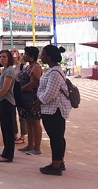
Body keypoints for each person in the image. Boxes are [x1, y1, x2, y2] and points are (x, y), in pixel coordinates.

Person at [37, 44, 72, 175]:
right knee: (57, 137)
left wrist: (38, 101)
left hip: (55, 110)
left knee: (56, 138)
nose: (41, 56)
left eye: (43, 54)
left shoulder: (55, 73)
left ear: (49, 57)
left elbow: (50, 92)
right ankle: (59, 161)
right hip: (50, 109)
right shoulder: (52, 70)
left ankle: (56, 165)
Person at [17, 46, 43, 156]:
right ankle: (30, 145)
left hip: (32, 97)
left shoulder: (36, 67)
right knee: (28, 120)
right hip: (26, 97)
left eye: (26, 54)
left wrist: (20, 90)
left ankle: (37, 147)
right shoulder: (29, 66)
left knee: (35, 122)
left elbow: (33, 83)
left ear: (31, 57)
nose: (24, 56)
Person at [0, 49, 16, 162]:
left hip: (7, 102)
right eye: (0, 57)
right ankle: (6, 151)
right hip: (3, 101)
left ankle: (8, 155)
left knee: (8, 128)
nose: (1, 59)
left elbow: (5, 89)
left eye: (4, 57)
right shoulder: (5, 70)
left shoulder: (9, 71)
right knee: (5, 128)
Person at [10, 47, 27, 145]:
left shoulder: (22, 67)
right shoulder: (7, 67)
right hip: (11, 93)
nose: (13, 53)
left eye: (14, 51)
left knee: (22, 115)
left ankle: (23, 135)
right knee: (12, 115)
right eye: (11, 51)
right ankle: (14, 134)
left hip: (20, 92)